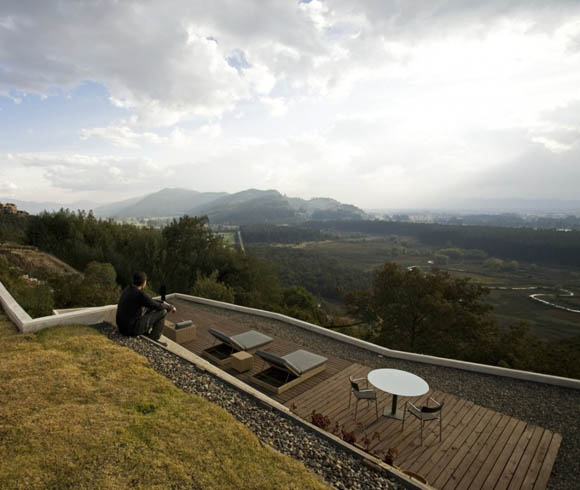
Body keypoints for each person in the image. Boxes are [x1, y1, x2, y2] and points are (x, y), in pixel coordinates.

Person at [116, 271, 176, 344]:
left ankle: (145, 332)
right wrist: (170, 307)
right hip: (131, 330)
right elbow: (157, 306)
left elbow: (150, 301)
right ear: (144, 282)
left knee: (150, 307)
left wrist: (162, 302)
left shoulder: (128, 289)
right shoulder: (140, 294)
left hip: (121, 327)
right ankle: (154, 338)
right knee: (163, 311)